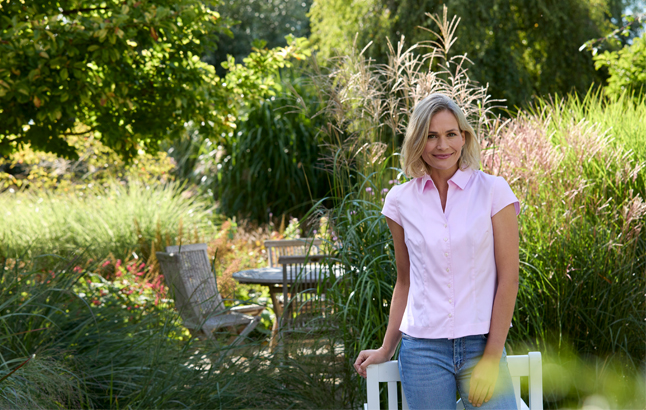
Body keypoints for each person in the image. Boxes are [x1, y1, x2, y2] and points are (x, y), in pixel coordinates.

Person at [353, 93, 520, 409]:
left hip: (482, 344)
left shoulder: (494, 192)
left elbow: (508, 279)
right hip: (422, 352)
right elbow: (405, 281)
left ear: (463, 136)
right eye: (431, 136)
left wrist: (491, 358)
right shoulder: (400, 201)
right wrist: (387, 348)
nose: (442, 145)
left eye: (450, 134)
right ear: (417, 140)